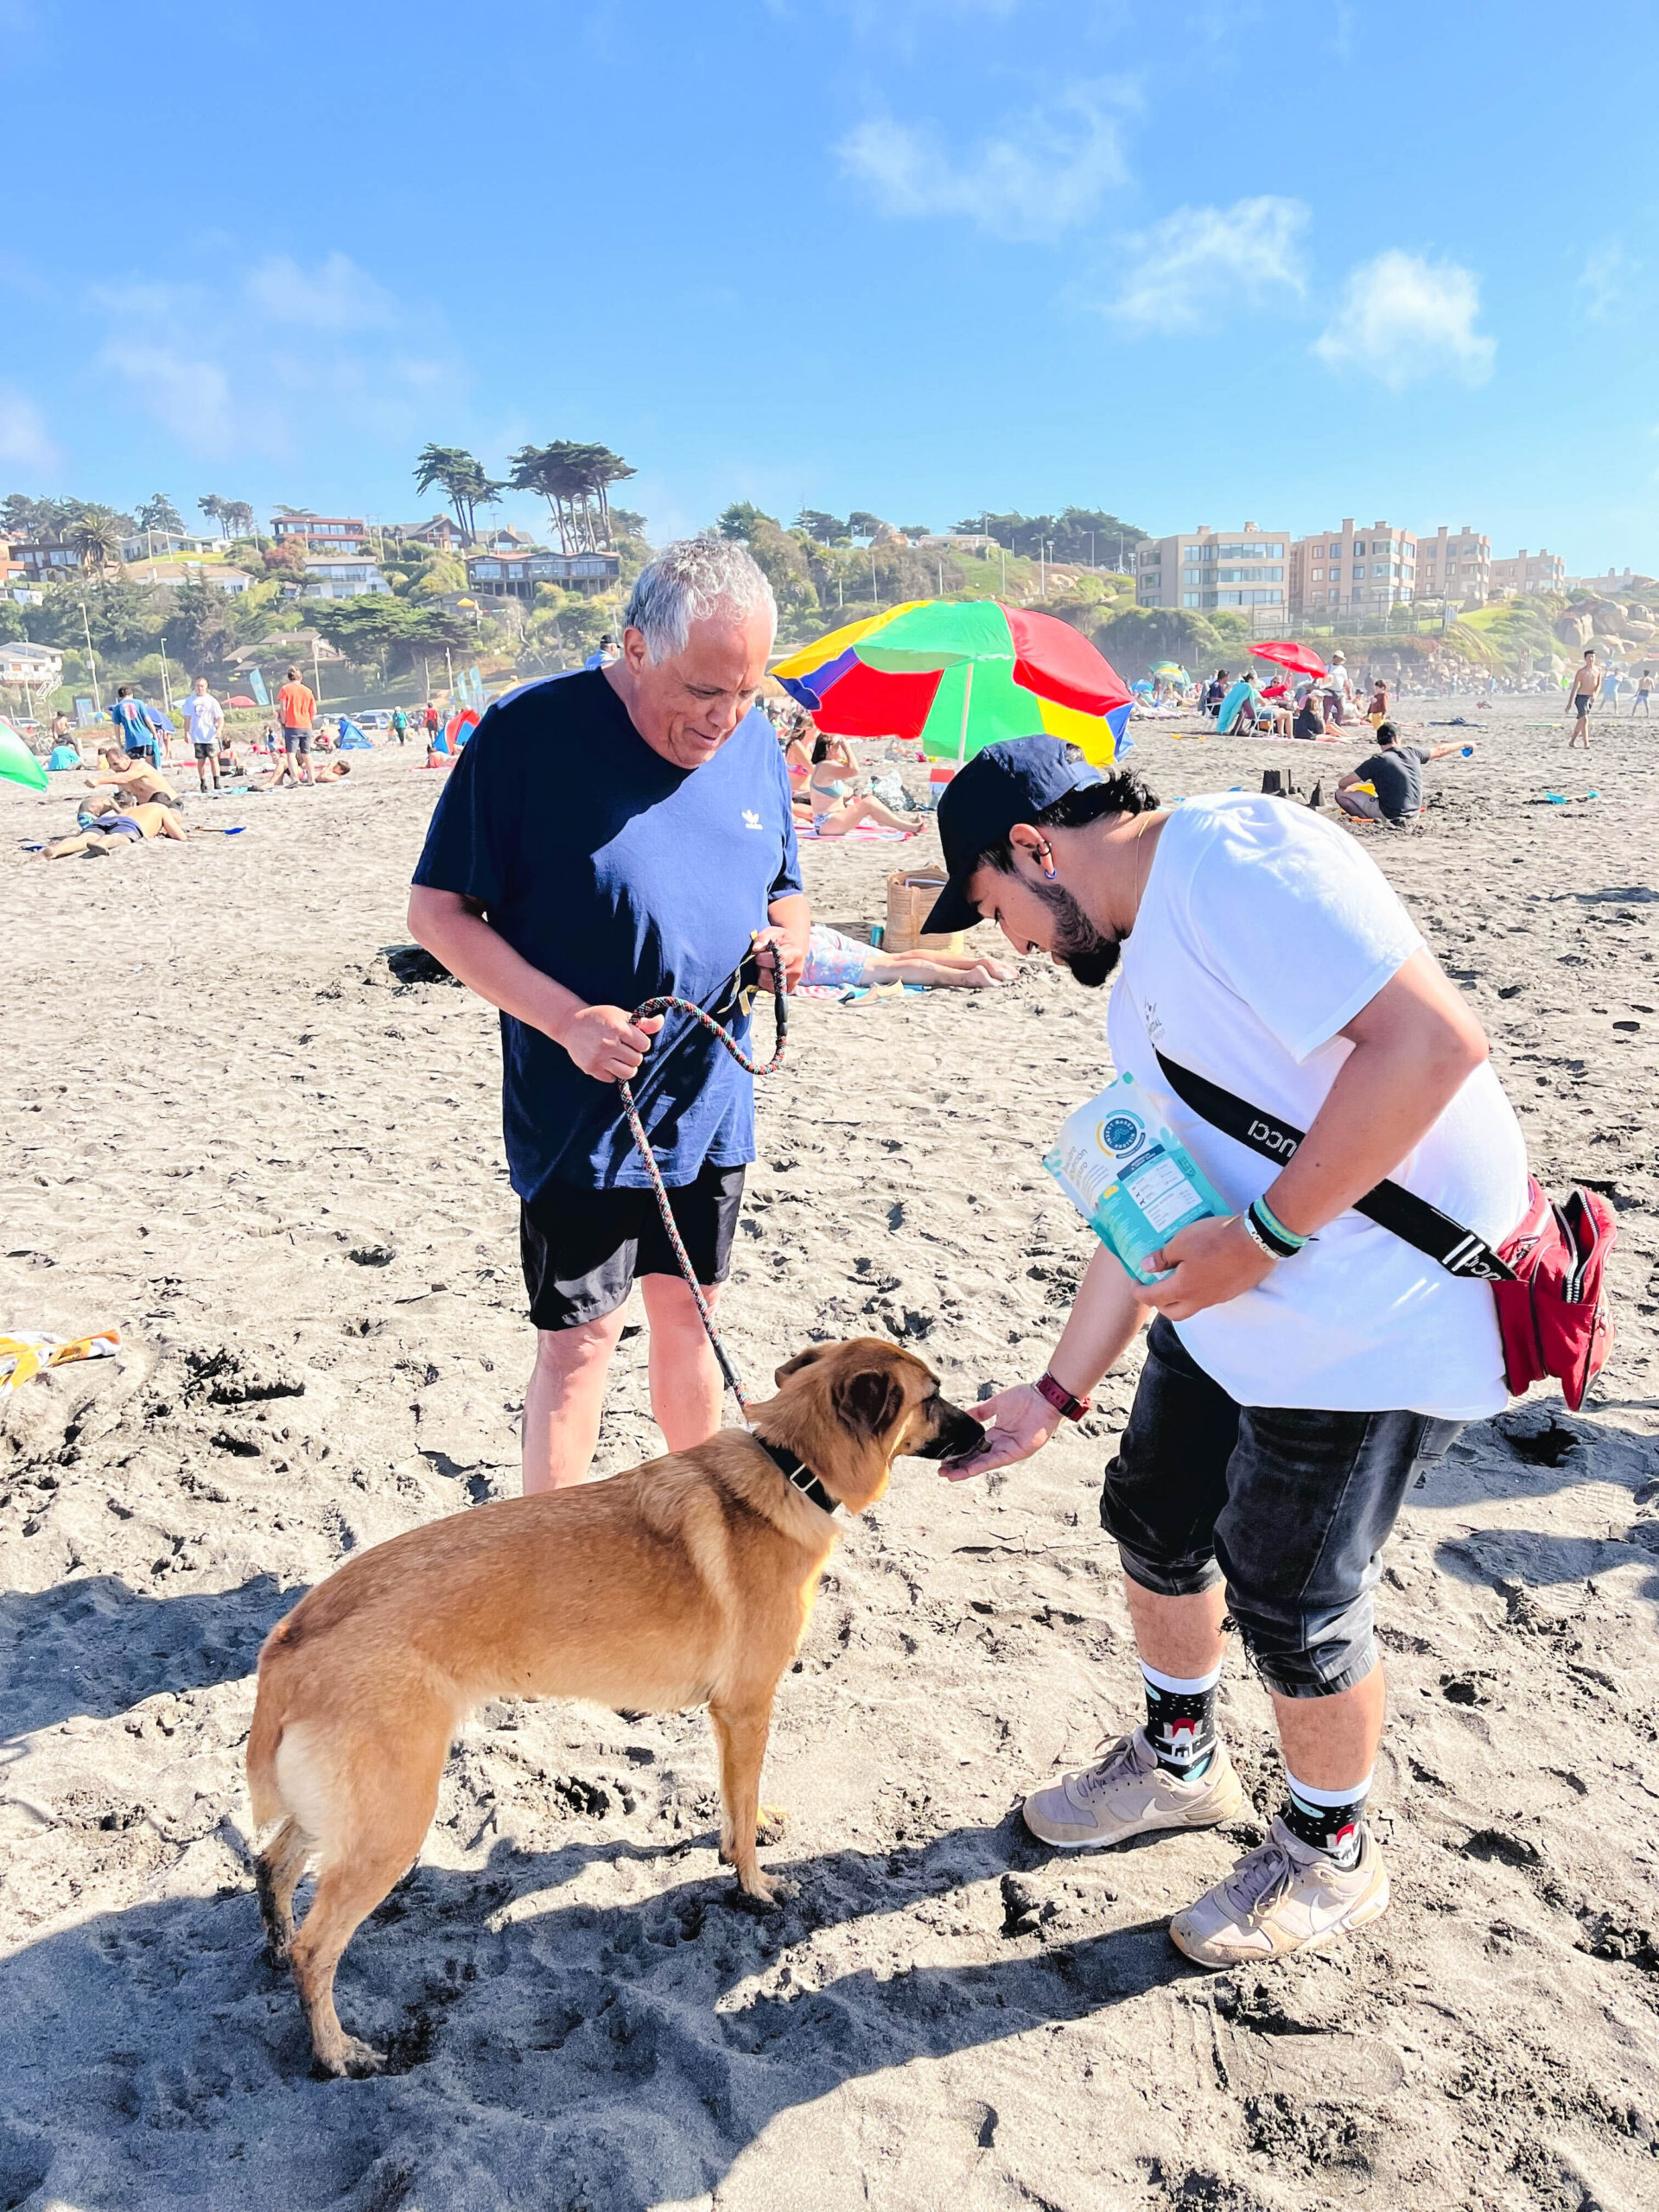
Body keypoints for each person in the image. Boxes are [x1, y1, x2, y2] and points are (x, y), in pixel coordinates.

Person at [921, 735, 1528, 1967]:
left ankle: (1330, 1852)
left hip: (1379, 1309)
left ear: (1034, 848)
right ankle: (1179, 1762)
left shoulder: (1239, 857)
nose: (1015, 946)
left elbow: (1432, 1045)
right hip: (1250, 1288)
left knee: (1291, 1591)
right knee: (1154, 1513)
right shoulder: (1137, 980)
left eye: (995, 910)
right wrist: (1054, 1392)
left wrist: (1259, 1240)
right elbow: (1149, 1212)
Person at [408, 537, 810, 1496]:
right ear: (635, 647)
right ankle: (547, 1558)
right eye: (703, 691)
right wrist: (566, 1020)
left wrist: (785, 944)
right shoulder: (527, 734)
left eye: (746, 692)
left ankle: (701, 1529)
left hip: (712, 1104)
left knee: (692, 1316)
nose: (724, 718)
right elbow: (436, 915)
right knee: (582, 1343)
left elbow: (786, 890)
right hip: (582, 1115)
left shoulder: (755, 743)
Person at [800, 922, 1014, 992]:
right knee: (896, 958)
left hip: (806, 957)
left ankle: (966, 977)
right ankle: (977, 963)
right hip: (811, 933)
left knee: (887, 968)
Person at [1336, 722, 1469, 825]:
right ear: (1397, 739)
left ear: (1379, 741)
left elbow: (1342, 783)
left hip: (1390, 814)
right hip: (1414, 814)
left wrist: (1354, 788)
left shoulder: (1377, 761)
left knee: (1341, 793)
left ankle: (1366, 818)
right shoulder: (1413, 753)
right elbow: (1440, 750)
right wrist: (1464, 743)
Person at [805, 733, 916, 836]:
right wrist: (847, 748)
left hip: (830, 822)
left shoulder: (824, 767)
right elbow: (854, 770)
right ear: (830, 749)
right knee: (869, 802)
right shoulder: (825, 766)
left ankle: (905, 825)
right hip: (828, 822)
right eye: (839, 746)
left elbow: (833, 795)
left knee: (869, 802)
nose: (841, 749)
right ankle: (908, 827)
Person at [44, 799, 188, 857]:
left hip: (108, 819)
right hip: (129, 824)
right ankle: (103, 843)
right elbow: (181, 837)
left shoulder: (135, 808)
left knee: (83, 839)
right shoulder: (162, 809)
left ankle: (55, 850)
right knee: (119, 837)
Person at [86, 746, 177, 807]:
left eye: (116, 764)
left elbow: (125, 778)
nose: (114, 768)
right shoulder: (120, 778)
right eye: (111, 766)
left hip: (169, 803)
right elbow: (126, 802)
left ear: (126, 758)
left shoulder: (139, 766)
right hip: (146, 808)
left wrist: (99, 781)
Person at [276, 665, 318, 785]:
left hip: (292, 725)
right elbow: (314, 710)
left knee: (291, 754)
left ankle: (295, 779)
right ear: (301, 678)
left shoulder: (285, 689)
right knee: (306, 754)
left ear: (289, 678)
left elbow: (283, 708)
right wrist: (309, 720)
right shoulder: (308, 690)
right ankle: (311, 779)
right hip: (306, 725)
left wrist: (283, 721)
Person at [184, 677, 225, 792]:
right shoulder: (190, 701)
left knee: (213, 758)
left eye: (202, 686)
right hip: (197, 735)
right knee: (201, 760)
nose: (200, 688)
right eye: (198, 686)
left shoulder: (212, 700)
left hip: (210, 735)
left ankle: (217, 782)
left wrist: (219, 729)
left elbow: (220, 718)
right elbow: (187, 718)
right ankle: (203, 783)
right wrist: (186, 733)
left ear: (206, 686)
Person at [109, 684, 155, 765]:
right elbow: (148, 720)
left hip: (131, 740)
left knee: (134, 765)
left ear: (120, 697)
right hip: (145, 738)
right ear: (132, 694)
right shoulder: (139, 703)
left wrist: (119, 743)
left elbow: (116, 728)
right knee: (149, 764)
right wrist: (154, 733)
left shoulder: (117, 708)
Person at [1568, 649, 1601, 748]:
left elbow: (1599, 685)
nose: (1591, 659)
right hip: (1581, 698)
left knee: (1581, 721)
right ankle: (1586, 743)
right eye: (1589, 657)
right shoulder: (1581, 672)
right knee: (1585, 719)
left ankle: (1572, 741)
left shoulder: (1598, 670)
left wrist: (1595, 695)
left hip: (1590, 699)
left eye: (1593, 657)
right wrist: (1569, 703)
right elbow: (1574, 687)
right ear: (1585, 659)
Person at [1321, 652, 1354, 727]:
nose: (1339, 660)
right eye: (1337, 658)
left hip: (1339, 693)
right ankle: (1324, 727)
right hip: (1328, 693)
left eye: (1340, 659)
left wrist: (1349, 693)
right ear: (1334, 658)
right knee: (1326, 712)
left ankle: (1338, 725)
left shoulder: (1343, 670)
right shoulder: (1327, 668)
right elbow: (1322, 680)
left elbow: (1346, 682)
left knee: (1341, 709)